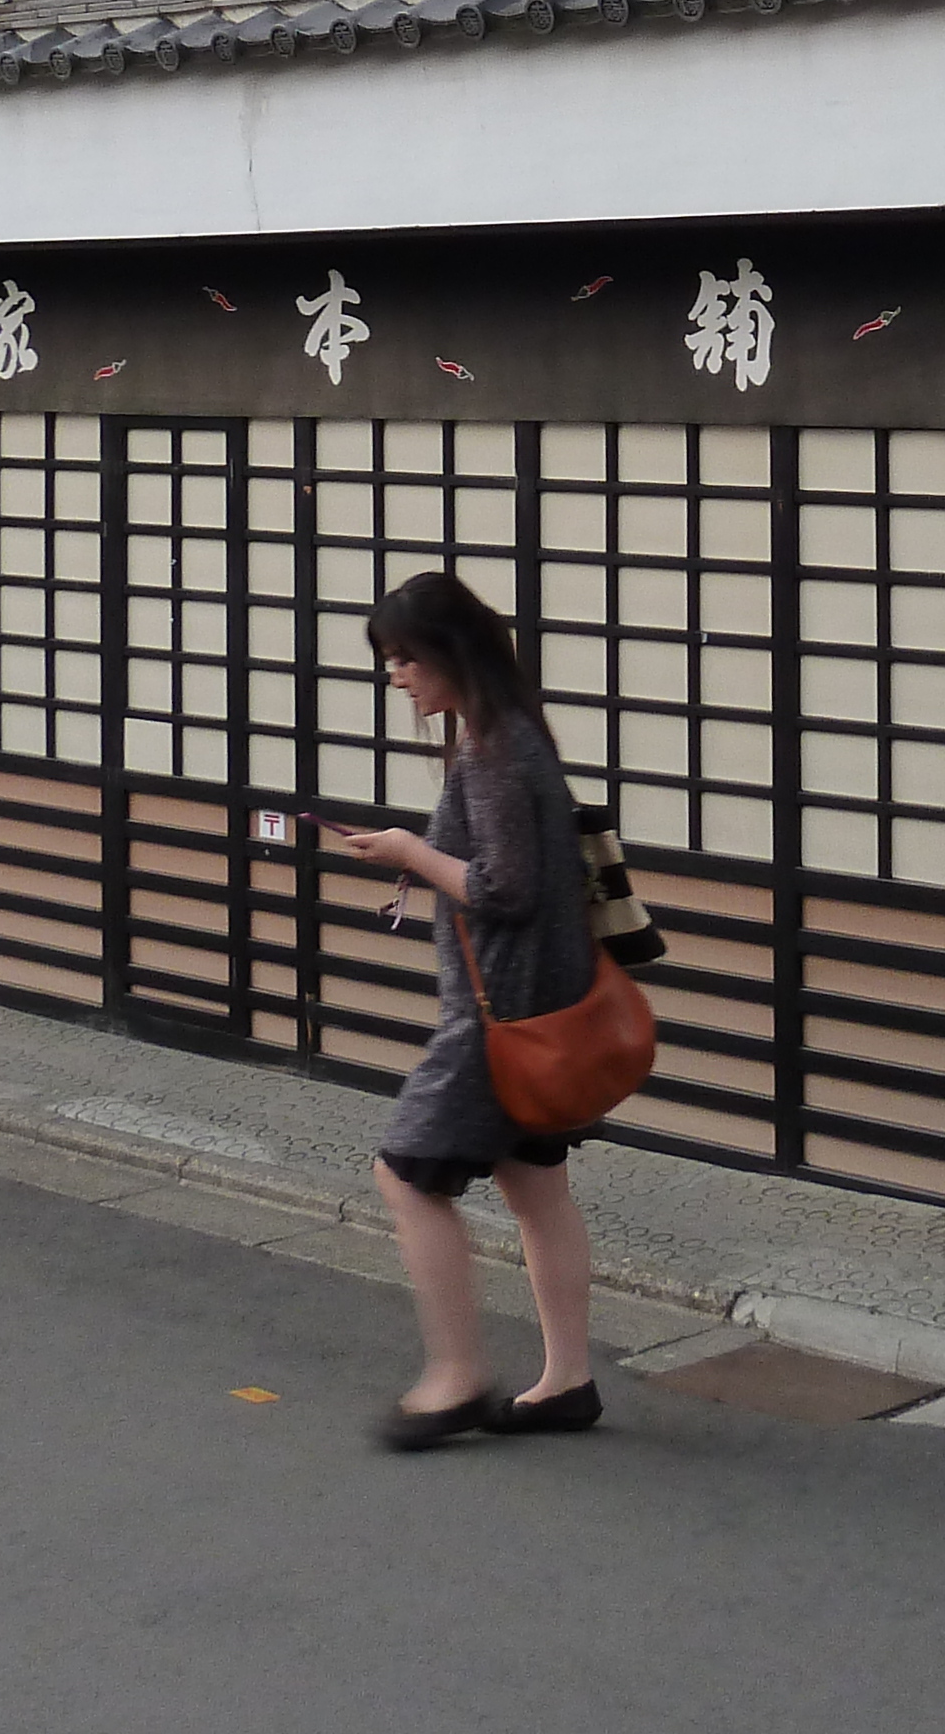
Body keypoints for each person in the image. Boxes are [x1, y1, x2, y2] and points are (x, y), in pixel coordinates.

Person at [319, 572, 607, 1450]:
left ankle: (456, 1377)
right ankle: (566, 1380)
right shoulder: (517, 736)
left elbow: (504, 890)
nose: (396, 676)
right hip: (543, 1006)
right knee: (535, 1189)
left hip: (498, 1018)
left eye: (406, 658)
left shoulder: (492, 751)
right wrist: (422, 860)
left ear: (453, 655)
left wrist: (411, 849)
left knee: (404, 1175)